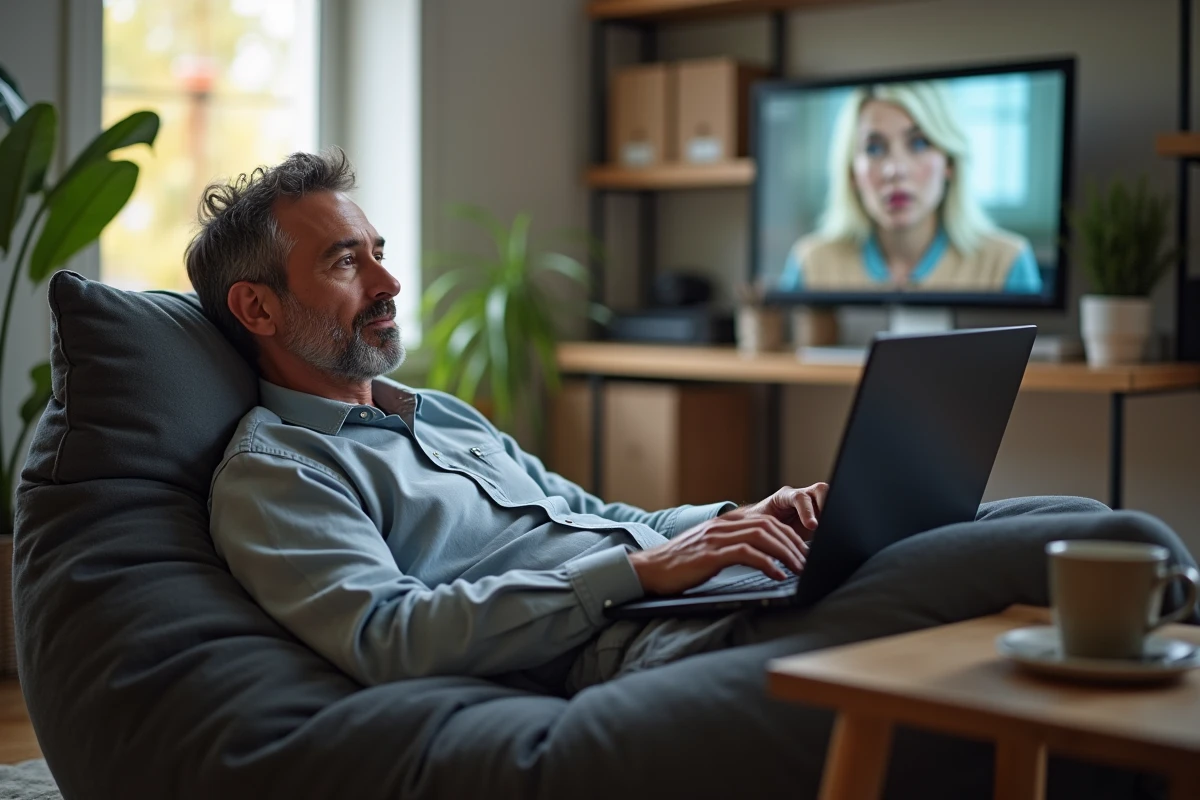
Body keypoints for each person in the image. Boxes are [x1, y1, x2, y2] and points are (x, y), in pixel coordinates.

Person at [191, 150, 1191, 697]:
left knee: (1064, 508)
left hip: (688, 590)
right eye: (344, 262)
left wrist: (736, 518)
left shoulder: (433, 413)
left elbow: (591, 511)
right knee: (1113, 543)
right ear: (259, 310)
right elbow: (383, 633)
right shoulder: (276, 473)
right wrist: (642, 571)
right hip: (638, 642)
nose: (389, 280)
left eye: (378, 249)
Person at [778, 81, 1043, 294]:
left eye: (918, 144)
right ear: (851, 173)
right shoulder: (812, 264)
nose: (895, 170)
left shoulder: (1006, 263)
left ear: (949, 161)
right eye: (874, 148)